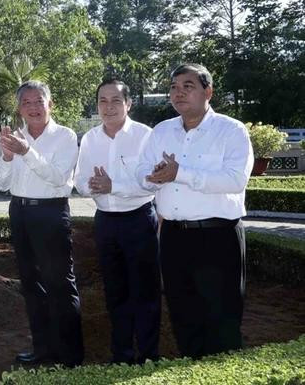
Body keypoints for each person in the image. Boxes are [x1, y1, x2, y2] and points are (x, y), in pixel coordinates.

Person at [137, 63, 253, 358]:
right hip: (174, 237)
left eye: (188, 86)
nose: (178, 93)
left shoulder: (231, 130)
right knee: (183, 315)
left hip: (218, 236)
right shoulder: (161, 131)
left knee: (222, 319)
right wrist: (151, 176)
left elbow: (236, 180)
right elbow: (141, 171)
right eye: (174, 87)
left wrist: (181, 173)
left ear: (208, 91)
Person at [0, 80, 84, 368]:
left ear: (50, 103)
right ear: (19, 108)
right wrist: (7, 158)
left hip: (50, 213)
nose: (33, 107)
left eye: (38, 101)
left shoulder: (66, 136)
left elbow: (58, 178)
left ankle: (70, 356)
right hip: (19, 212)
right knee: (31, 286)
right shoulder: (15, 137)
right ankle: (43, 349)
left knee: (59, 284)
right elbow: (0, 183)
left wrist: (26, 152)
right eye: (26, 103)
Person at [74, 79, 161, 364]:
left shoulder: (145, 136)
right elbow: (79, 181)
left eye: (115, 101)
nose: (108, 107)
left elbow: (152, 183)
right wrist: (94, 186)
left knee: (145, 292)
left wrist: (114, 185)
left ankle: (148, 356)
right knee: (115, 292)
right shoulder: (90, 139)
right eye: (102, 101)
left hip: (139, 220)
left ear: (128, 104)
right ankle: (121, 355)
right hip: (105, 223)